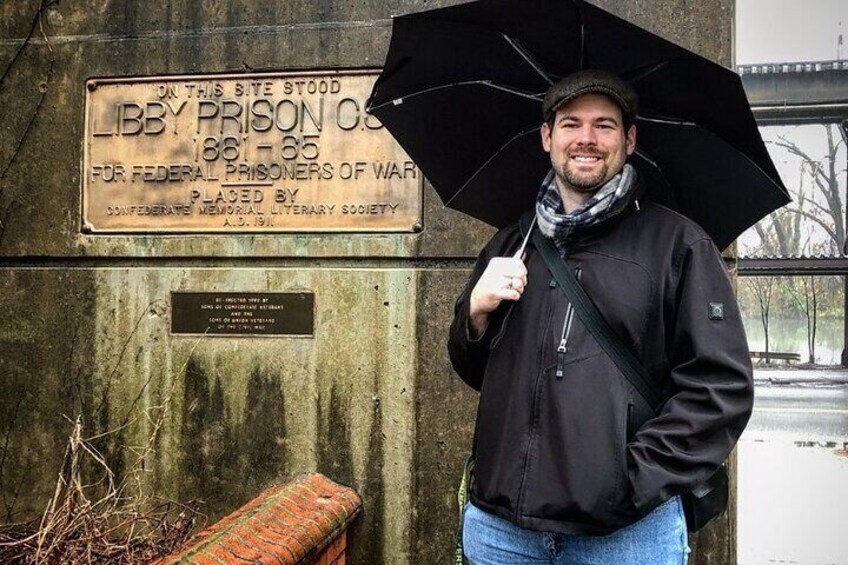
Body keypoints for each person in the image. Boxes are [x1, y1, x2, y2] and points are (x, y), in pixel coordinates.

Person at [447, 69, 754, 564]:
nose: (585, 139)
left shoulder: (678, 244)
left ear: (629, 139)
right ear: (547, 137)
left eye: (604, 125)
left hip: (625, 537)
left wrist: (626, 482)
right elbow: (475, 369)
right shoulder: (512, 242)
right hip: (501, 530)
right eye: (570, 123)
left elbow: (720, 390)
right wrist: (475, 316)